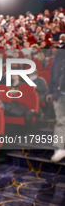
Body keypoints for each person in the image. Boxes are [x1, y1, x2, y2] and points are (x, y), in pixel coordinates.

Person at [47, 34, 65, 162]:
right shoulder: (58, 56)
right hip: (60, 93)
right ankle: (59, 149)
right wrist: (50, 91)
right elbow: (53, 74)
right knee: (60, 121)